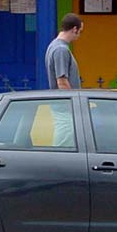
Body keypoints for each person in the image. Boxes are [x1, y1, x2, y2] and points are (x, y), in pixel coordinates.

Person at [44, 13, 83, 146]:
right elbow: (62, 81)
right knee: (65, 139)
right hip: (65, 106)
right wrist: (75, 103)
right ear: (74, 29)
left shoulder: (53, 46)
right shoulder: (61, 49)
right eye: (80, 31)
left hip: (60, 104)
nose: (79, 35)